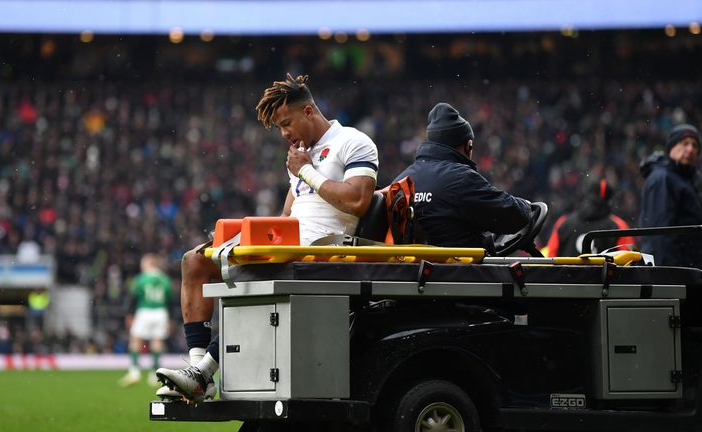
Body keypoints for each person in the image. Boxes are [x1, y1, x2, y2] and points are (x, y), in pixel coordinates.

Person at [156, 73, 379, 401]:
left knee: (246, 272)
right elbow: (286, 218)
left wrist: (306, 171)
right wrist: (244, 238)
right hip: (291, 245)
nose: (284, 133)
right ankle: (197, 371)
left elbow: (358, 202)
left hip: (325, 249)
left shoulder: (352, 142)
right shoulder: (298, 156)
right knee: (195, 262)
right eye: (278, 127)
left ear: (308, 112)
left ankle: (202, 374)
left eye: (286, 123)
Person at [393, 102, 531, 251]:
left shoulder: (399, 182)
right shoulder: (462, 180)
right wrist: (527, 207)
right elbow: (515, 216)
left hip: (409, 272)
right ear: (468, 145)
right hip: (459, 272)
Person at [639, 123, 702, 270]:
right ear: (672, 146)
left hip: (690, 270)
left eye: (695, 145)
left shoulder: (686, 180)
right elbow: (660, 233)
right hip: (676, 273)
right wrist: (669, 278)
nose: (690, 149)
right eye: (685, 143)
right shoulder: (663, 178)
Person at [118, 254, 173, 387]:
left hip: (144, 310)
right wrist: (170, 318)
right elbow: (170, 300)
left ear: (149, 263)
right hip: (161, 312)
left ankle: (134, 371)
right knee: (157, 341)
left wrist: (129, 314)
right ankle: (154, 374)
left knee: (136, 339)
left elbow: (132, 298)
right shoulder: (165, 279)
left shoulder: (141, 279)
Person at [545, 178, 636, 257]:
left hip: (568, 277)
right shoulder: (618, 226)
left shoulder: (564, 223)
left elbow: (551, 258)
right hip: (603, 277)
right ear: (610, 201)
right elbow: (630, 261)